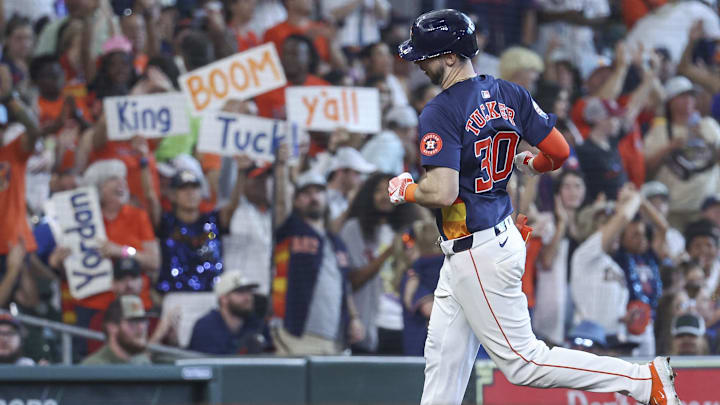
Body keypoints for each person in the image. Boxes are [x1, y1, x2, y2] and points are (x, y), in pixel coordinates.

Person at [388, 9, 678, 405]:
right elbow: (558, 151)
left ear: (452, 56)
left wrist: (405, 189)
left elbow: (441, 192)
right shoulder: (511, 92)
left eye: (426, 55)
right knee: (444, 362)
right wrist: (533, 164)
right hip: (484, 240)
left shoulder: (440, 110)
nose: (419, 63)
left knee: (524, 361)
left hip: (477, 248)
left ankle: (644, 380)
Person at [272, 171, 365, 355]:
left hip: (334, 337)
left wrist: (354, 318)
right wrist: (282, 168)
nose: (313, 197)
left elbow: (344, 284)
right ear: (296, 201)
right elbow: (280, 205)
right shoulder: (291, 231)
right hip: (296, 333)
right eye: (306, 193)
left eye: (318, 192)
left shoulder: (336, 242)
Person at [188, 271, 265, 355]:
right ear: (223, 298)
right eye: (240, 292)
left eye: (249, 291)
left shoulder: (257, 324)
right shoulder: (205, 327)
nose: (248, 297)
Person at [81, 295, 151, 365]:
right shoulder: (94, 366)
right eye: (133, 322)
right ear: (111, 327)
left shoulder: (143, 361)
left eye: (144, 321)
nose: (141, 327)